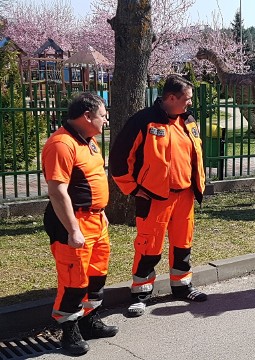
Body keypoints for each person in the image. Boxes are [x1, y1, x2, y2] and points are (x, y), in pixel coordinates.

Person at [110, 75, 207, 317]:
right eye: (187, 99)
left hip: (184, 195)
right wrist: (132, 188)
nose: (190, 104)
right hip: (153, 198)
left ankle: (182, 287)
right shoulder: (143, 121)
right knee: (148, 246)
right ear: (171, 98)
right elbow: (119, 160)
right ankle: (141, 293)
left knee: (183, 244)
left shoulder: (189, 120)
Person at [42, 92, 118, 355]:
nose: (106, 120)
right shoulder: (61, 144)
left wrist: (100, 210)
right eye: (103, 114)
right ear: (87, 116)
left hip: (96, 218)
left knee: (96, 275)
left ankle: (89, 321)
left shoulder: (89, 141)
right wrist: (73, 228)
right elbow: (57, 191)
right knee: (74, 279)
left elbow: (93, 178)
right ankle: (69, 330)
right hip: (73, 222)